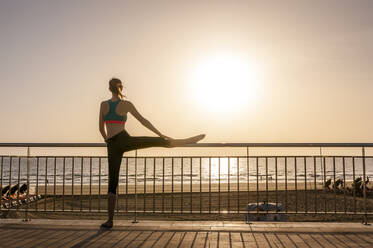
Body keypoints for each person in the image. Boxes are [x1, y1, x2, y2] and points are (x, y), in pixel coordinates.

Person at [99, 78, 205, 228]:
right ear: (121, 88)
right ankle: (181, 141)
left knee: (112, 182)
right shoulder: (126, 104)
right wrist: (160, 133)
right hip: (124, 139)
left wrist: (108, 141)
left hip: (112, 145)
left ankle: (110, 220)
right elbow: (143, 121)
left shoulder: (103, 105)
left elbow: (101, 129)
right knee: (154, 141)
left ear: (109, 89)